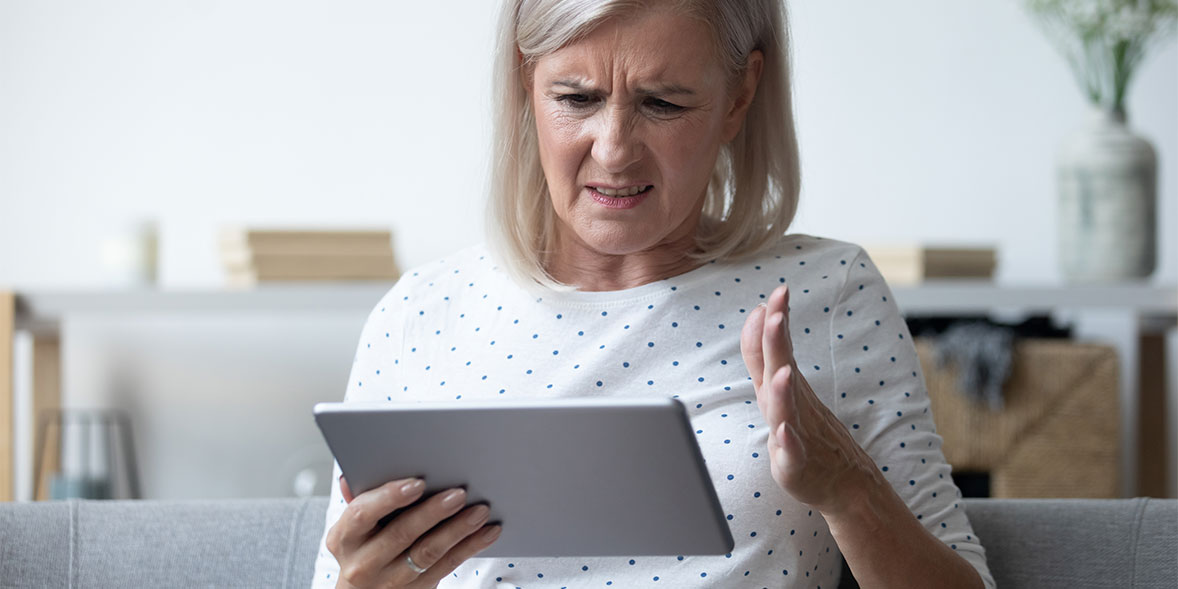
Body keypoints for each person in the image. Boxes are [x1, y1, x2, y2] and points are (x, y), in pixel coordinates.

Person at [313, 0, 995, 587]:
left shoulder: (831, 295)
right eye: (576, 98)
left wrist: (850, 490)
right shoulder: (421, 313)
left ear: (739, 96)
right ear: (526, 81)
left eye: (661, 103)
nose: (614, 149)